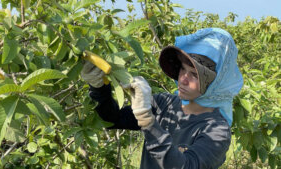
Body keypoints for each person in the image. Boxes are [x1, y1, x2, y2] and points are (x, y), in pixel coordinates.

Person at [81, 28, 243, 169]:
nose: (183, 79)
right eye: (182, 70)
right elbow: (113, 119)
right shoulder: (163, 104)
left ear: (215, 83)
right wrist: (99, 87)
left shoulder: (217, 130)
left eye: (194, 75)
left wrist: (147, 120)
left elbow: (186, 166)